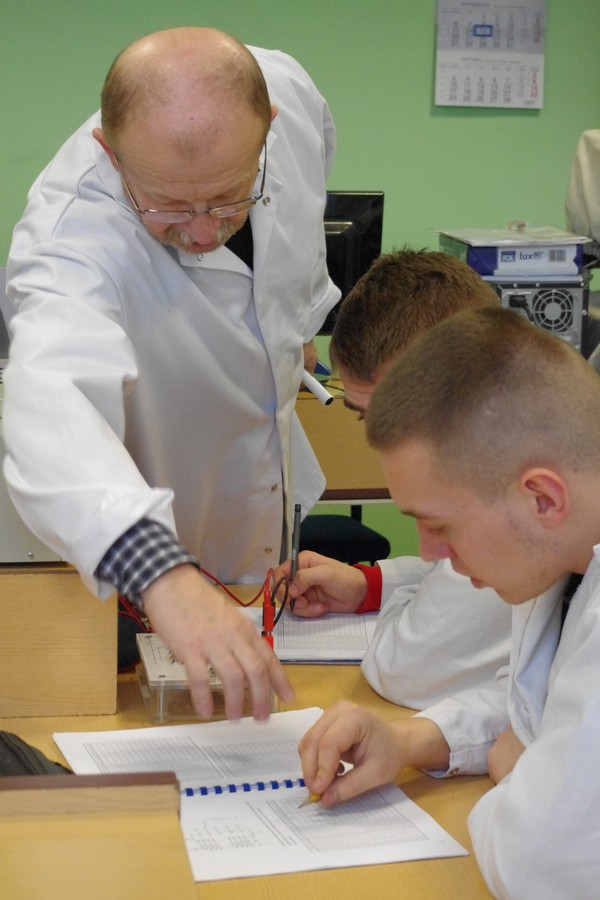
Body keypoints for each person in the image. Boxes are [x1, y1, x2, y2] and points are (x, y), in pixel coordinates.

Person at [3, 27, 341, 719]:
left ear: (269, 130)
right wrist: (157, 567)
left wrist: (295, 326)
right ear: (109, 152)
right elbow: (48, 407)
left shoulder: (292, 99)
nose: (204, 230)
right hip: (161, 526)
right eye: (169, 207)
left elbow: (302, 237)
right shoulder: (73, 236)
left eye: (229, 197)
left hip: (269, 497)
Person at [298, 306, 600, 898]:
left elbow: (535, 865)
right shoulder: (562, 558)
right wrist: (410, 742)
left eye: (441, 525)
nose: (430, 552)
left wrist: (518, 764)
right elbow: (527, 705)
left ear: (542, 498)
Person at [274, 249, 512, 709]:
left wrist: (399, 612)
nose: (385, 447)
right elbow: (455, 577)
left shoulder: (504, 494)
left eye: (400, 420)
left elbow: (404, 667)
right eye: (370, 419)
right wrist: (371, 586)